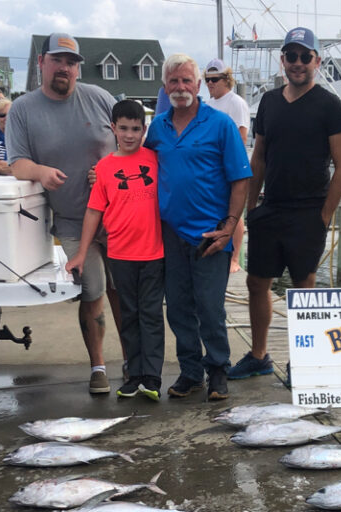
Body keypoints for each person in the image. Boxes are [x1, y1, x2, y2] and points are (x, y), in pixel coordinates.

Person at [228, 26, 341, 381]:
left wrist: (325, 215)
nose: (298, 63)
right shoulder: (268, 101)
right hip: (271, 207)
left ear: (317, 60)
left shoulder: (331, 106)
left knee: (304, 288)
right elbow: (260, 156)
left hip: (309, 212)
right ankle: (259, 354)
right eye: (291, 56)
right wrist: (252, 207)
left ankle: (304, 360)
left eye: (305, 57)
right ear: (282, 60)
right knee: (256, 283)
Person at [6, 32, 123, 395]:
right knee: (94, 291)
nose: (65, 68)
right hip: (73, 220)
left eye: (71, 62)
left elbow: (130, 146)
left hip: (119, 219)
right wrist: (40, 171)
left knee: (125, 292)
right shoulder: (24, 109)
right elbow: (17, 163)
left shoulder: (101, 98)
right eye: (57, 60)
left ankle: (136, 360)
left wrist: (109, 166)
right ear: (41, 63)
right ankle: (99, 366)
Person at [145, 53, 251, 402]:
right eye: (173, 81)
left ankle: (218, 369)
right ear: (165, 86)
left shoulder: (220, 124)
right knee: (177, 307)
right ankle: (191, 372)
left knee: (209, 308)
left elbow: (240, 179)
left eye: (186, 80)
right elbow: (138, 166)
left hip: (210, 235)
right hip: (170, 235)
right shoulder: (157, 128)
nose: (180, 88)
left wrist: (230, 226)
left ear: (199, 85)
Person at [65, 99, 164, 401]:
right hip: (120, 254)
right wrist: (81, 253)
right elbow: (94, 212)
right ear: (113, 129)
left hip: (154, 253)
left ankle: (152, 376)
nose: (130, 135)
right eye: (124, 128)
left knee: (151, 315)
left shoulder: (155, 159)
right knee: (129, 314)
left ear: (144, 129)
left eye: (136, 129)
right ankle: (133, 375)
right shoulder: (106, 168)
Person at [203, 58, 250, 273]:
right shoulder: (208, 104)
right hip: (212, 168)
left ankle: (234, 258)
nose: (210, 84)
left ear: (226, 80)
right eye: (207, 80)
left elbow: (241, 136)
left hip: (231, 167)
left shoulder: (235, 102)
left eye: (215, 79)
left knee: (235, 212)